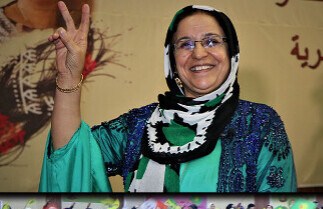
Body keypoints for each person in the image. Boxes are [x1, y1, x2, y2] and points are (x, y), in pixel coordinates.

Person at [42, 4, 296, 192]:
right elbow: (72, 155)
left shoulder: (260, 123)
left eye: (211, 41)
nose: (199, 53)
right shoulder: (139, 124)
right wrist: (68, 77)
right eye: (185, 44)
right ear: (171, 59)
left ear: (231, 53)